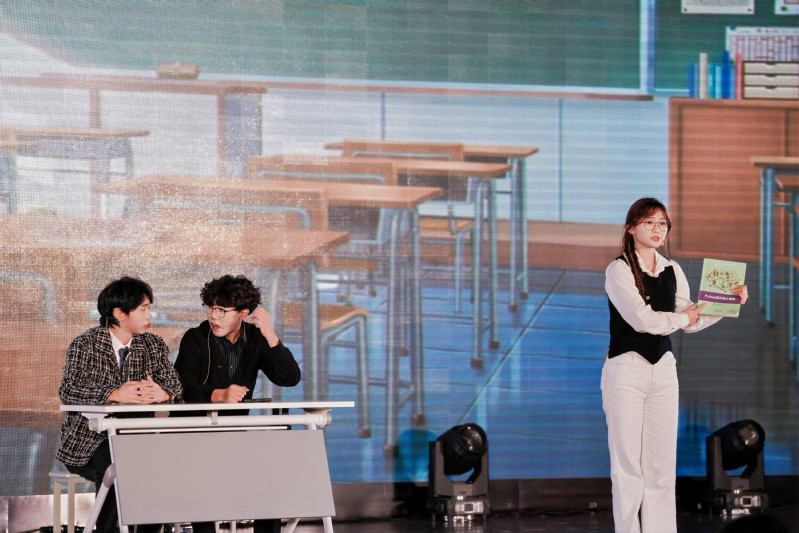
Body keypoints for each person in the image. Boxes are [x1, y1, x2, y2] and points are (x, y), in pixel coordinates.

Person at [602, 198, 748, 533]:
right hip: (626, 370)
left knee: (661, 467)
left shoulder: (673, 269)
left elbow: (690, 321)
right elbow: (643, 320)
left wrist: (728, 303)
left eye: (663, 224)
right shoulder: (618, 269)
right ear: (631, 227)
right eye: (649, 222)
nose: (658, 229)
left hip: (664, 370)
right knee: (628, 468)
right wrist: (684, 317)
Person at [174, 274, 302, 533]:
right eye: (210, 308)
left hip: (235, 438)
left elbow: (289, 378)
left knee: (270, 480)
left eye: (222, 310)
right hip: (194, 437)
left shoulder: (256, 338)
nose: (214, 316)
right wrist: (219, 395)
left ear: (243, 313)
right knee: (203, 484)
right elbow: (182, 387)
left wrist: (270, 334)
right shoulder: (195, 338)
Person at [57, 276, 183, 533]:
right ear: (119, 313)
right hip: (89, 442)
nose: (150, 314)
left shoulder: (153, 344)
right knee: (117, 463)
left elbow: (175, 385)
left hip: (138, 439)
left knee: (160, 468)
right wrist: (114, 393)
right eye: (143, 308)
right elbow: (68, 391)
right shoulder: (85, 344)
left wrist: (162, 393)